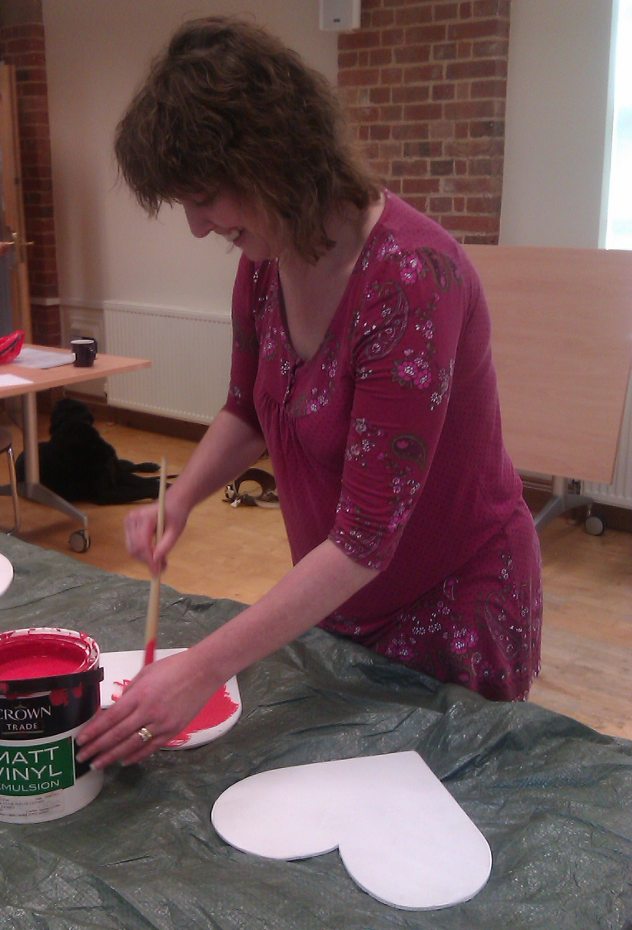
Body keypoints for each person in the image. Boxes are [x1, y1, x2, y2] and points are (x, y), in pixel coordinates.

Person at [76, 16, 542, 770]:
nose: (198, 229)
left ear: (273, 161)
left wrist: (204, 666)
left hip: (450, 605)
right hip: (342, 604)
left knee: (431, 825)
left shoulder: (412, 282)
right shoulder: (264, 258)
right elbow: (246, 410)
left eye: (204, 200)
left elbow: (362, 543)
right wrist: (182, 497)